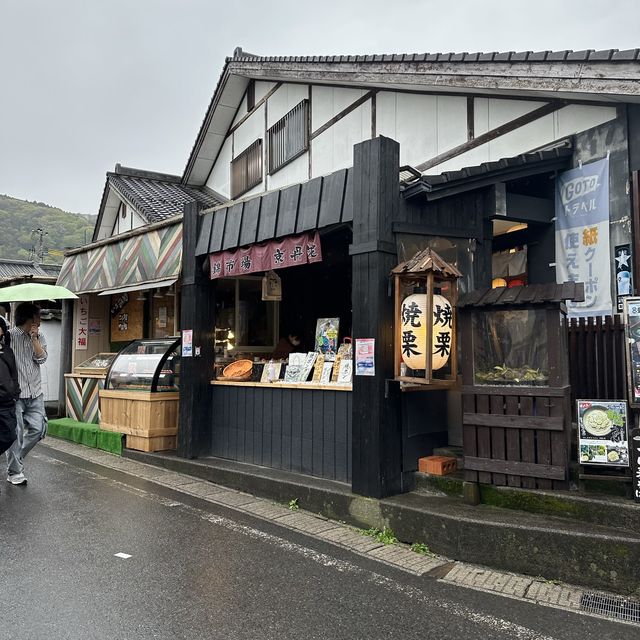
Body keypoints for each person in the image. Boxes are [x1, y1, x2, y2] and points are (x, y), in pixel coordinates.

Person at [6, 303, 47, 485]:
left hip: (35, 392)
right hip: (15, 394)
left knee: (39, 430)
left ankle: (17, 459)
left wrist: (34, 339)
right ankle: (15, 472)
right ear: (29, 318)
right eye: (38, 317)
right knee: (17, 432)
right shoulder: (9, 337)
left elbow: (42, 358)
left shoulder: (40, 336)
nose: (40, 320)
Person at [0, 317, 19, 465]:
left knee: (10, 436)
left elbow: (14, 374)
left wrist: (15, 394)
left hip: (7, 402)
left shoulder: (7, 351)